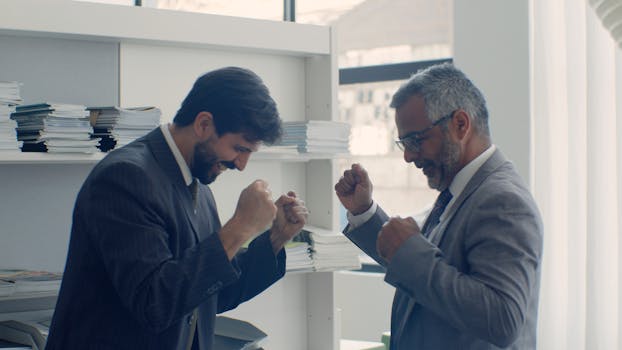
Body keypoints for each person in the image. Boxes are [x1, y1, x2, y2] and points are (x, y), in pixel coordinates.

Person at [45, 66, 308, 350]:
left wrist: (275, 238)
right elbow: (154, 302)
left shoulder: (197, 184)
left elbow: (207, 293)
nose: (242, 165)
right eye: (239, 148)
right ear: (204, 124)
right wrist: (241, 225)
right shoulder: (124, 177)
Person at [334, 63, 543, 349]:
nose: (408, 156)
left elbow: (503, 319)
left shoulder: (503, 201)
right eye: (403, 143)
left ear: (460, 124)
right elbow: (423, 266)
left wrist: (409, 250)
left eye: (416, 139)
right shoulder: (461, 190)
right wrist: (365, 212)